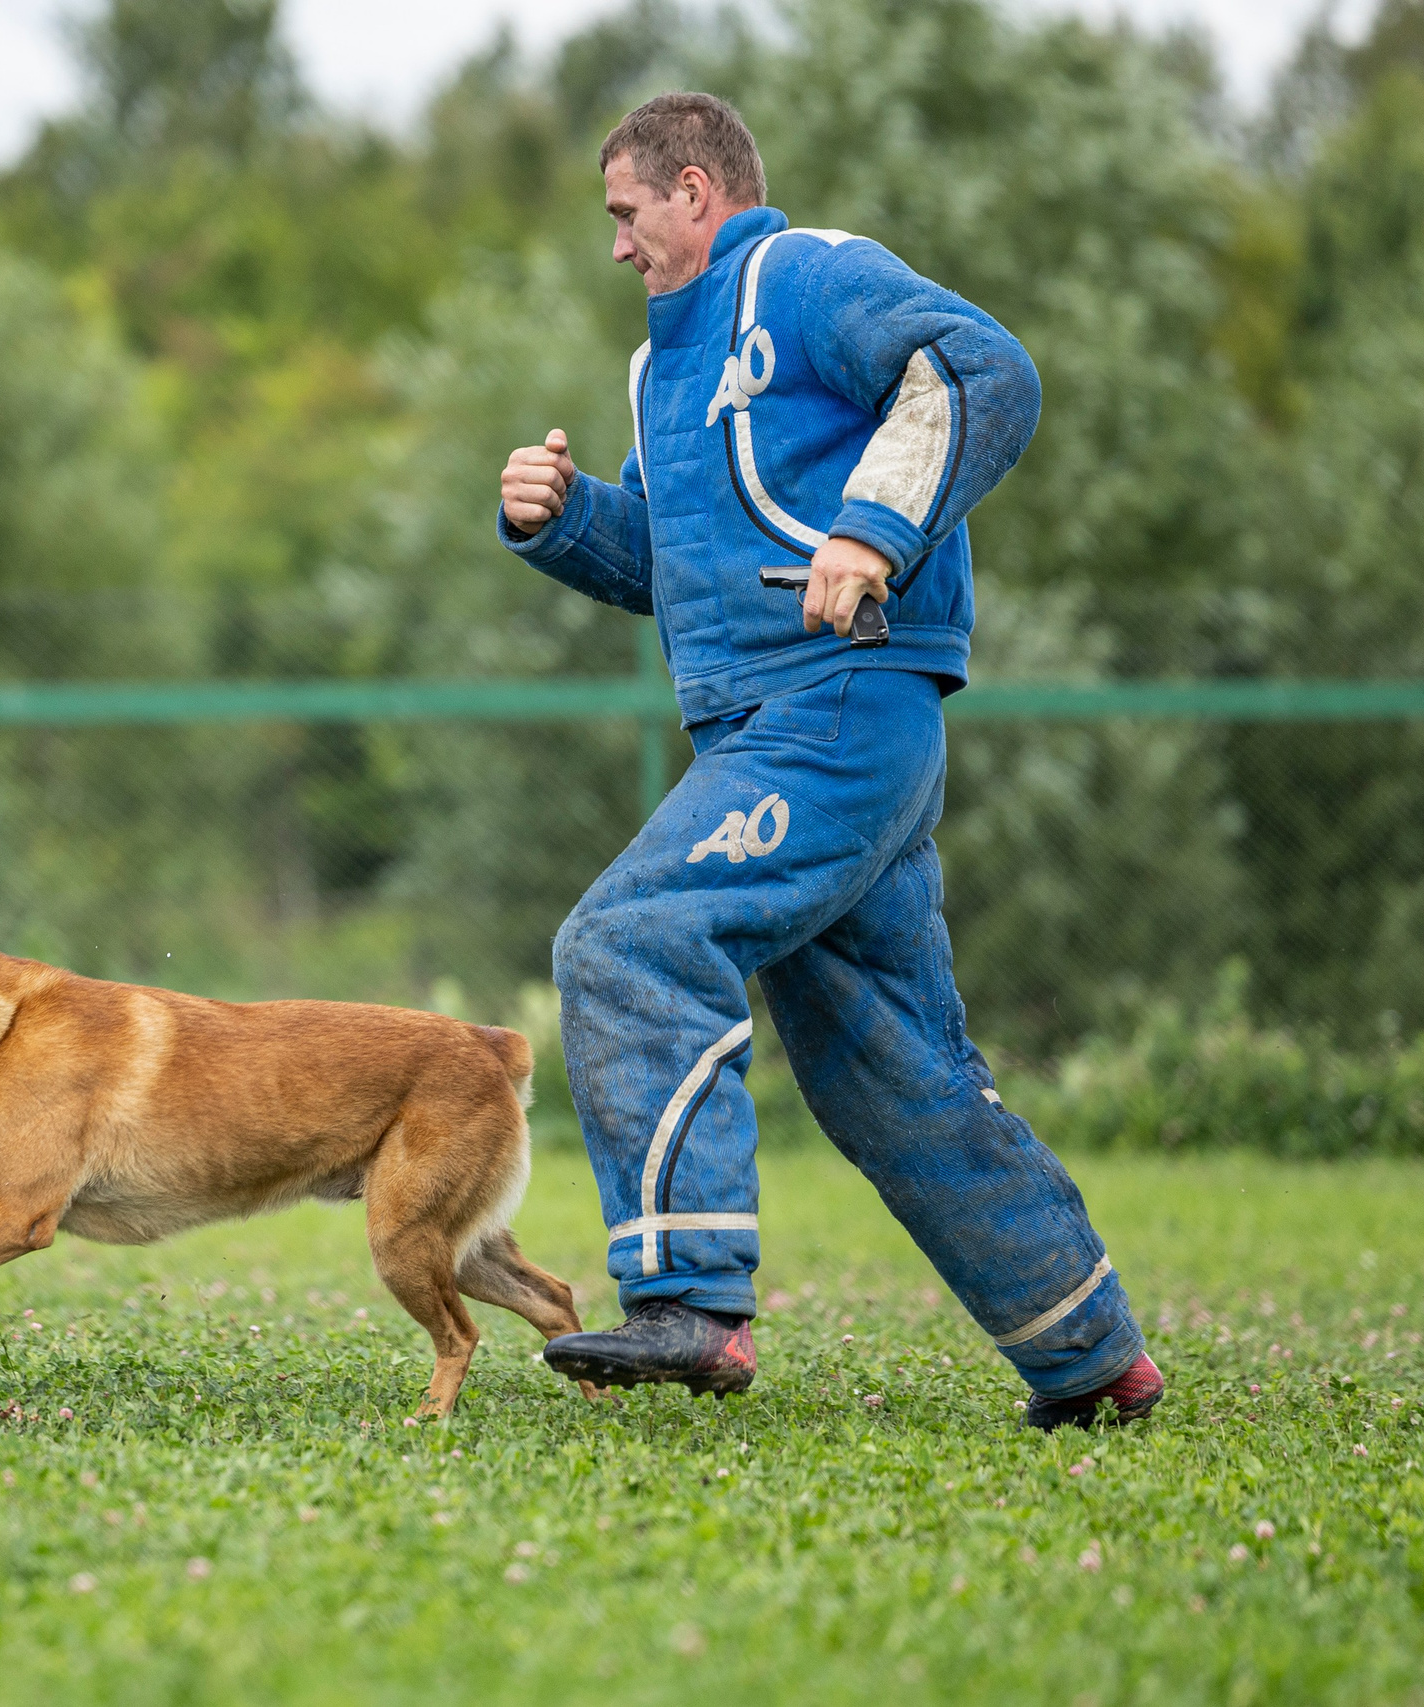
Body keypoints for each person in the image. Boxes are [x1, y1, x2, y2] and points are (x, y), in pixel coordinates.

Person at [501, 92, 1162, 1428]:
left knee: (630, 942)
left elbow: (982, 368)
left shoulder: (806, 275)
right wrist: (565, 518)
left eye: (627, 213)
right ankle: (1090, 1356)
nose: (618, 245)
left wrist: (873, 531)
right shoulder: (659, 368)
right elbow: (677, 568)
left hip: (840, 707)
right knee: (887, 1067)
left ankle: (691, 1302)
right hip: (773, 728)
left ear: (696, 192)